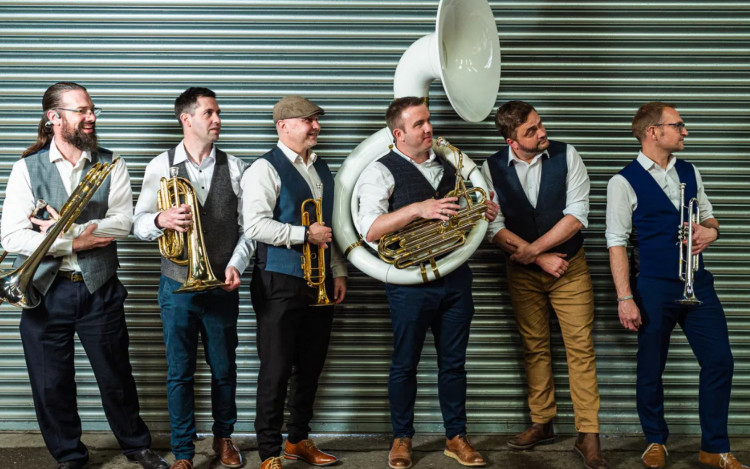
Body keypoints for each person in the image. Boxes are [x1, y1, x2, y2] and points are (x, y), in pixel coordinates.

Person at [0, 82, 167, 469]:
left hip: (99, 290)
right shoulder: (26, 168)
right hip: (44, 291)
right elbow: (11, 235)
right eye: (81, 111)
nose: (91, 117)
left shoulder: (112, 162)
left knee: (116, 377)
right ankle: (69, 455)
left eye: (92, 110)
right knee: (50, 383)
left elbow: (123, 223)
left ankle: (136, 446)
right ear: (54, 118)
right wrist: (76, 242)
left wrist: (57, 232)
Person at [355, 96, 499, 469]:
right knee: (405, 364)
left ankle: (456, 437)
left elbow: (466, 216)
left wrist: (483, 211)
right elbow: (370, 229)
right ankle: (402, 438)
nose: (429, 128)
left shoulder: (452, 165)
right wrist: (418, 209)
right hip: (408, 284)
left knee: (454, 365)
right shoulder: (380, 171)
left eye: (428, 121)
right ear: (399, 133)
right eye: (419, 124)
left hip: (455, 278)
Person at [606, 102, 746, 469]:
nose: (686, 131)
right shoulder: (622, 182)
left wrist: (708, 232)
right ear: (653, 132)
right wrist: (625, 298)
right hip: (653, 287)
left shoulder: (690, 170)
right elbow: (616, 242)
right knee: (651, 367)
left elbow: (710, 216)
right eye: (679, 125)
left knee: (720, 361)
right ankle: (655, 440)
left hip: (697, 282)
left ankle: (714, 447)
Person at [481, 100, 606, 469]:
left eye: (540, 124)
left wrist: (534, 250)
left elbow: (577, 215)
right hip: (523, 273)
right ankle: (543, 423)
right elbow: (491, 225)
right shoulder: (489, 169)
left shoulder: (568, 156)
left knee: (580, 348)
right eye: (531, 131)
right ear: (511, 141)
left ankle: (589, 434)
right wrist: (537, 259)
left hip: (571, 266)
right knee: (534, 347)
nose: (542, 133)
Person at [133, 87, 253, 469]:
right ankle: (183, 452)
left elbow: (248, 228)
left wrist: (237, 263)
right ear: (187, 119)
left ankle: (224, 438)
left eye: (218, 113)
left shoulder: (236, 166)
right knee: (179, 372)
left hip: (221, 284)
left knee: (224, 368)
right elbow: (138, 223)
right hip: (176, 285)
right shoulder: (160, 166)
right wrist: (159, 219)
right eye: (210, 113)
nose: (218, 119)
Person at [241, 95, 346, 469]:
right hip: (279, 282)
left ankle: (297, 439)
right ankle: (269, 452)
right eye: (308, 120)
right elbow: (253, 225)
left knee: (310, 366)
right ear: (283, 126)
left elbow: (330, 228)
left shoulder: (321, 168)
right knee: (277, 369)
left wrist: (339, 271)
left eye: (317, 120)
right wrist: (304, 235)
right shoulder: (263, 169)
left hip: (320, 281)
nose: (316, 126)